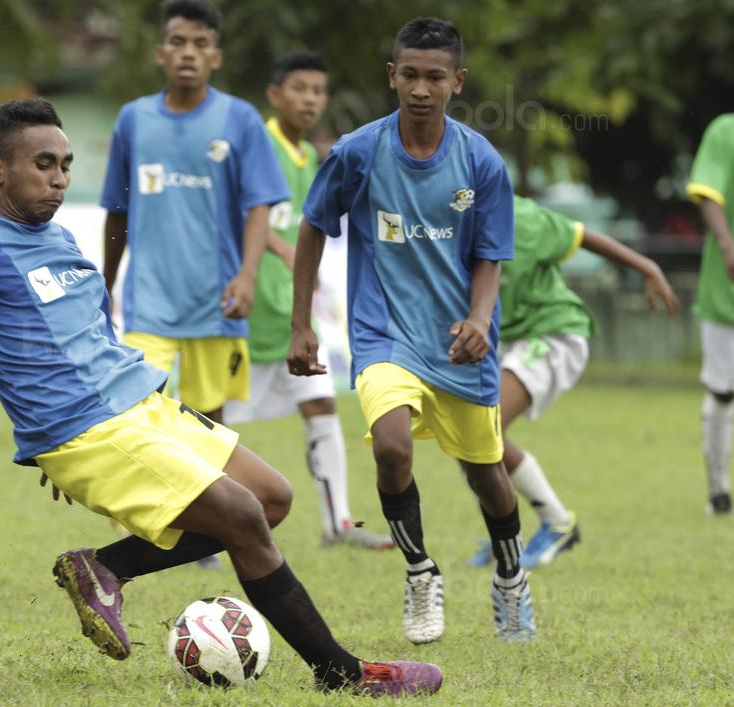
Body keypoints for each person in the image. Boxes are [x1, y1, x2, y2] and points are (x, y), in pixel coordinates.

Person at [0, 97, 442, 698]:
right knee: (239, 515)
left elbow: (87, 336)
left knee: (271, 499)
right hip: (85, 430)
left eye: (64, 164)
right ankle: (340, 674)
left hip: (144, 406)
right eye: (42, 164)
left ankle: (103, 567)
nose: (59, 178)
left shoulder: (60, 239)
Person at [287, 17, 534, 644]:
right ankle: (420, 572)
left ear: (457, 81)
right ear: (392, 75)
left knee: (488, 476)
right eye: (411, 75)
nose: (421, 88)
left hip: (459, 343)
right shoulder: (358, 151)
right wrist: (302, 325)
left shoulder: (480, 160)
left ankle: (511, 577)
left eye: (436, 77)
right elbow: (314, 224)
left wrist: (480, 318)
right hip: (383, 335)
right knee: (393, 448)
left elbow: (490, 255)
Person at [223, 51, 393, 551]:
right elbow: (241, 215)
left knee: (321, 404)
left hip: (289, 317)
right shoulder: (260, 144)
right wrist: (278, 249)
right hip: (249, 316)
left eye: (318, 91)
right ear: (275, 96)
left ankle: (338, 523)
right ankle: (189, 523)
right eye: (300, 88)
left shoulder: (311, 158)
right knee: (211, 424)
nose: (311, 99)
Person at [99, 0, 289, 426]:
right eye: (177, 42)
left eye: (200, 44)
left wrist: (247, 276)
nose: (188, 52)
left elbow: (260, 203)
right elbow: (117, 211)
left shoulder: (240, 118)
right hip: (147, 302)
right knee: (140, 415)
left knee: (209, 424)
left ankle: (207, 495)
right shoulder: (133, 119)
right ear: (160, 53)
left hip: (216, 301)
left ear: (215, 57)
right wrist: (105, 285)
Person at [468, 196, 679, 568]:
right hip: (504, 339)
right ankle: (507, 535)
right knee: (468, 437)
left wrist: (647, 266)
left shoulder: (522, 218)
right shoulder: (443, 224)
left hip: (552, 332)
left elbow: (581, 236)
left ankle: (558, 523)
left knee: (486, 426)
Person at [687, 113, 734, 516]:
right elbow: (707, 192)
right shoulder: (725, 130)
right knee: (723, 389)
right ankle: (719, 489)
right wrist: (727, 243)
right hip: (726, 291)